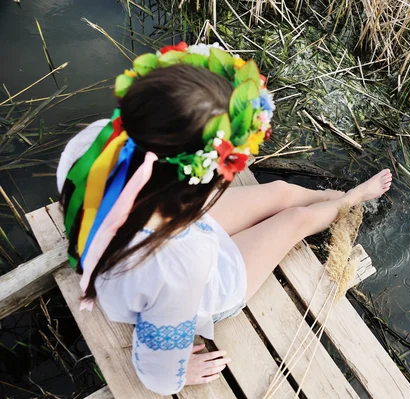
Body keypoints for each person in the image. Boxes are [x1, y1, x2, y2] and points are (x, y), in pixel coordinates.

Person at [56, 42, 392, 395]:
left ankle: (333, 198)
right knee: (293, 220)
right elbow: (159, 350)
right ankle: (351, 199)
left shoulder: (97, 144)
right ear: (192, 186)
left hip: (159, 217)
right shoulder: (177, 269)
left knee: (278, 191)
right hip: (201, 280)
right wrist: (176, 374)